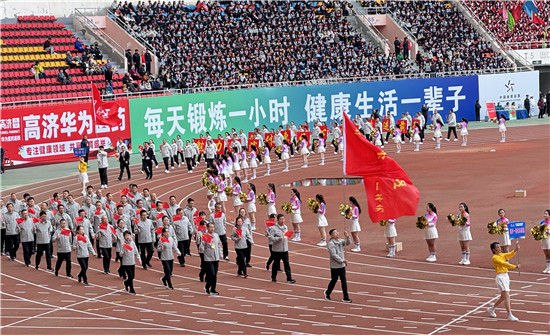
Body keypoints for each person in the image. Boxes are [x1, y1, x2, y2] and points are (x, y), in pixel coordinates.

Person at [487, 241, 520, 321]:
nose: (499, 248)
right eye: (497, 247)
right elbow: (504, 264)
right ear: (494, 249)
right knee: (507, 296)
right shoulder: (495, 258)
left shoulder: (501, 255)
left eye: (499, 246)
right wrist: (514, 267)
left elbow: (508, 255)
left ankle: (491, 309)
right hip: (500, 277)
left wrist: (515, 250)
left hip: (506, 276)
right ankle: (509, 314)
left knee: (503, 297)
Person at [324, 228, 352, 303]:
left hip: (342, 265)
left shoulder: (340, 241)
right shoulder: (331, 244)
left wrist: (347, 236)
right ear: (331, 235)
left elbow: (348, 243)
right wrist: (342, 260)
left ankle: (346, 297)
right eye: (335, 233)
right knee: (334, 280)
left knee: (344, 281)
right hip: (335, 266)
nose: (337, 234)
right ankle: (327, 292)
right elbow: (333, 255)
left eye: (337, 232)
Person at [268, 214, 296, 283]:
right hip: (277, 250)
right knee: (276, 264)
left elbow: (285, 235)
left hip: (285, 249)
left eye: (283, 219)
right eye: (281, 219)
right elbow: (270, 237)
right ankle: (273, 277)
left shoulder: (285, 227)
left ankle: (289, 278)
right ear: (277, 220)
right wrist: (277, 238)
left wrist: (287, 236)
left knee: (287, 264)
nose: (283, 220)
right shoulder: (274, 228)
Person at [200, 222, 221, 295]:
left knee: (214, 274)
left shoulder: (216, 235)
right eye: (211, 227)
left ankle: (212, 289)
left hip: (216, 257)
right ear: (207, 228)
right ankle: (208, 287)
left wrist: (220, 254)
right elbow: (202, 245)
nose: (212, 229)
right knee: (211, 273)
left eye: (213, 227)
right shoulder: (205, 236)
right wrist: (201, 248)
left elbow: (218, 245)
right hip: (208, 258)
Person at [120, 230, 140, 294]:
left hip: (132, 262)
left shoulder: (132, 243)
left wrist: (139, 259)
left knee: (132, 276)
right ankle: (131, 289)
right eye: (126, 235)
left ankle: (126, 282)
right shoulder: (123, 244)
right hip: (126, 263)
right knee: (130, 276)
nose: (127, 237)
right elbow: (120, 254)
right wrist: (123, 252)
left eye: (128, 235)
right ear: (124, 237)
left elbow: (136, 252)